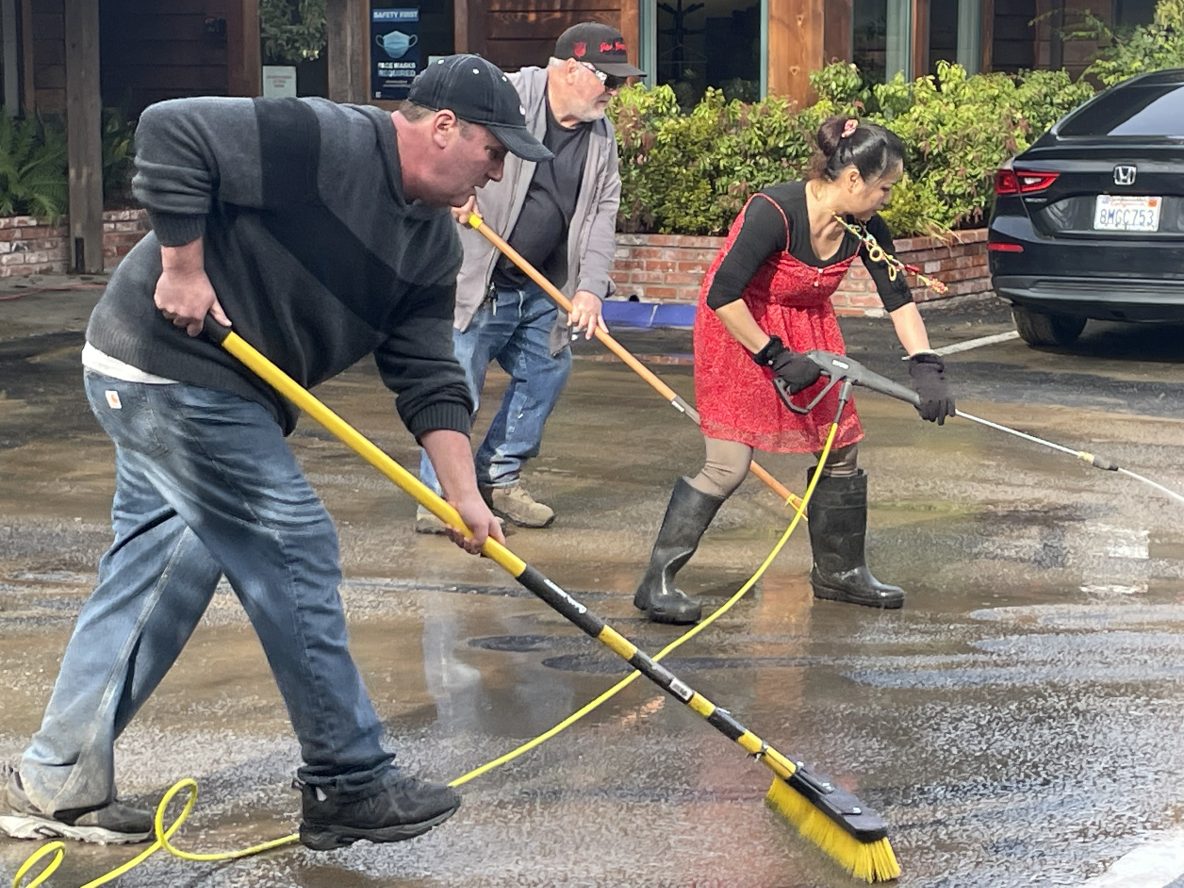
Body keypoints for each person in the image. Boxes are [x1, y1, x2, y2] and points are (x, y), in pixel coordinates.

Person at [0, 54, 550, 850]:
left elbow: (428, 376)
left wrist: (463, 493)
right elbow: (171, 129)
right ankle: (348, 777)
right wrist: (182, 267)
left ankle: (57, 779)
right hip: (165, 365)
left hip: (228, 393)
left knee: (161, 574)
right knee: (293, 540)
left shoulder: (431, 246)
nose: (496, 174)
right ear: (442, 128)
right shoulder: (329, 140)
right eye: (494, 153)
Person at [633, 115, 956, 625]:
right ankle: (658, 582)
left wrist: (926, 367)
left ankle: (840, 573)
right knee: (728, 465)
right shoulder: (774, 211)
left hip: (808, 329)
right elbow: (722, 294)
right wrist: (775, 357)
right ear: (853, 180)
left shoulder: (864, 227)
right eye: (885, 189)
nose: (887, 199)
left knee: (840, 447)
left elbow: (898, 299)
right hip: (742, 328)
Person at [415, 21, 641, 532]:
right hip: (480, 275)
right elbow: (440, 135)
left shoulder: (601, 138)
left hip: (544, 285)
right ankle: (439, 497)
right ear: (566, 68)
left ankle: (498, 474)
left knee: (546, 371)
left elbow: (605, 212)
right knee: (458, 385)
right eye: (607, 78)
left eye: (620, 81)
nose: (614, 90)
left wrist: (589, 288)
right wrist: (452, 186)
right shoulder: (504, 96)